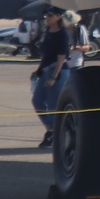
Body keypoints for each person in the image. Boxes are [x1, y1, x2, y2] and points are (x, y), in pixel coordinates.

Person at [32, 9, 70, 148]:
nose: (47, 17)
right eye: (46, 15)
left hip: (57, 72)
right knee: (37, 101)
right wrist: (39, 70)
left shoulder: (62, 34)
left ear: (58, 17)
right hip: (46, 71)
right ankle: (51, 129)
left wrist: (54, 77)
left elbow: (61, 57)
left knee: (54, 105)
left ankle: (55, 134)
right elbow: (45, 55)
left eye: (50, 15)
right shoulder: (48, 32)